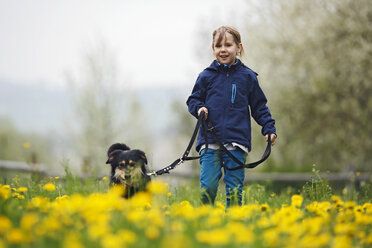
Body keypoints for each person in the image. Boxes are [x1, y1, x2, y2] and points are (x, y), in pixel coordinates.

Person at [186, 26, 277, 207]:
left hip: (237, 142)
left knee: (234, 190)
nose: (223, 50)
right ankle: (206, 225)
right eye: (218, 46)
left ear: (239, 47)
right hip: (209, 141)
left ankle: (234, 227)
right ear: (213, 49)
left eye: (228, 45)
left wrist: (269, 127)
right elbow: (193, 100)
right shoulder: (205, 76)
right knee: (208, 187)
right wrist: (199, 108)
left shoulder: (248, 77)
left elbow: (259, 106)